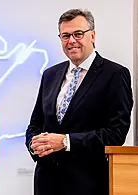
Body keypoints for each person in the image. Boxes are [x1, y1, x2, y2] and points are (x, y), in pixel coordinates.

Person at [25, 8, 133, 195]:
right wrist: (34, 145)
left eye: (78, 34)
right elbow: (35, 123)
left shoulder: (115, 74)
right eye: (65, 35)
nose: (71, 41)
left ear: (92, 35)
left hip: (88, 184)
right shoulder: (50, 75)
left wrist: (66, 141)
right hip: (46, 183)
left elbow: (116, 133)